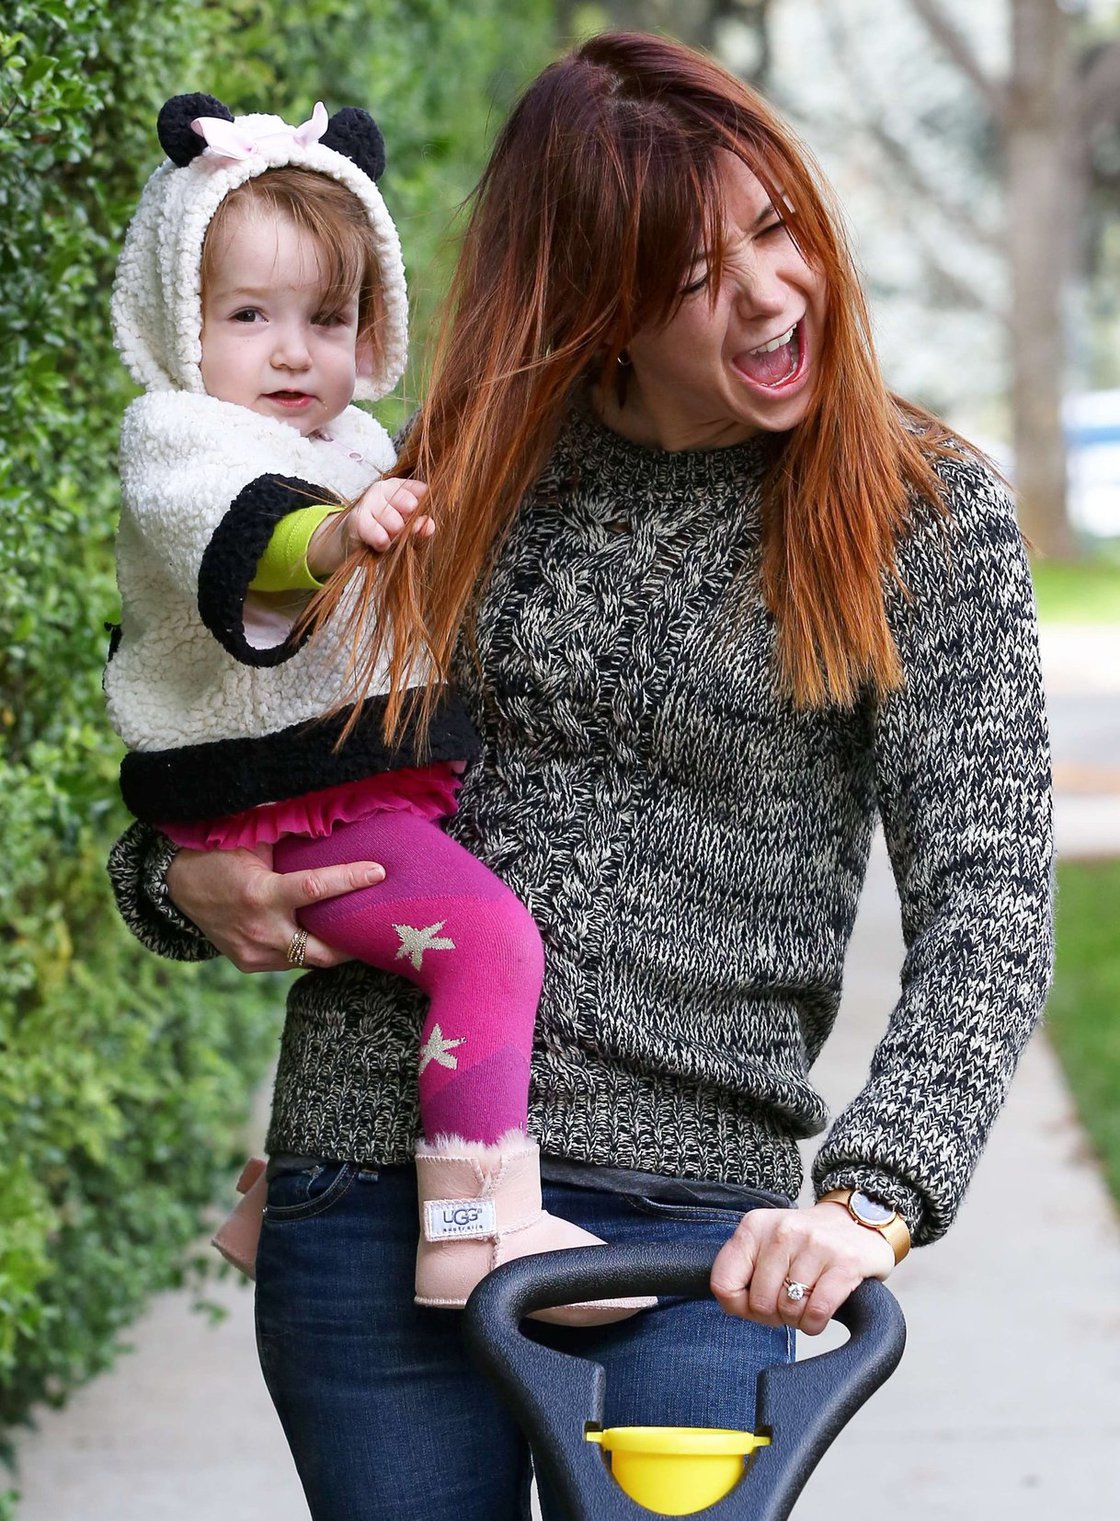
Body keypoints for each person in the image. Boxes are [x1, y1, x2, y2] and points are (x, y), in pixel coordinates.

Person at [107, 33, 1053, 1521]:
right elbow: (215, 730)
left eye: (778, 228)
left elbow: (989, 893)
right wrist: (171, 883)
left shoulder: (913, 516)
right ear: (598, 300)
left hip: (700, 1243)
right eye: (691, 273)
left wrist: (880, 1191)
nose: (768, 293)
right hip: (375, 1188)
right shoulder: (441, 479)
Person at [105, 91, 647, 1323]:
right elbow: (246, 542)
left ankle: (271, 1198)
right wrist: (341, 532)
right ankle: (475, 1229)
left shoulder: (346, 432)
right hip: (274, 794)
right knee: (491, 949)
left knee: (419, 958)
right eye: (249, 317)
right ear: (176, 322)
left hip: (317, 781)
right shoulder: (183, 437)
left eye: (329, 319)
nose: (293, 352)